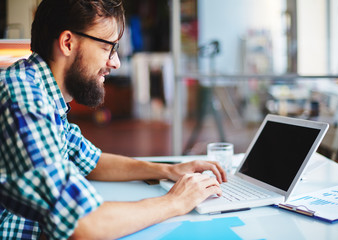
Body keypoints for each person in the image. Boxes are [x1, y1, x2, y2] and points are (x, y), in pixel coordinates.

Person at [0, 0, 226, 239]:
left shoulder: (44, 95)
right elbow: (83, 224)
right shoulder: (23, 96)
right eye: (109, 47)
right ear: (68, 43)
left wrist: (168, 170)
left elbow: (91, 161)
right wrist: (176, 202)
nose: (115, 62)